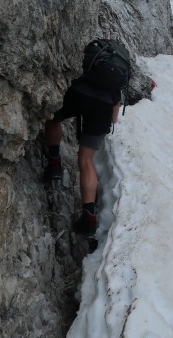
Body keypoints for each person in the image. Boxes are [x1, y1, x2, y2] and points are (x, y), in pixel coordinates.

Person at [43, 73, 121, 237]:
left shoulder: (93, 51)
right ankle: (89, 217)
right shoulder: (120, 66)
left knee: (53, 119)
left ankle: (55, 163)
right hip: (104, 106)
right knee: (86, 159)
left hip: (80, 93)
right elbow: (114, 119)